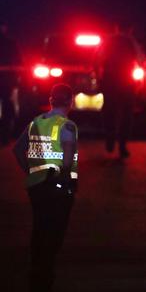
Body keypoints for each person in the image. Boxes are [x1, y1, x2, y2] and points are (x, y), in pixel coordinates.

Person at [12, 83, 79, 292]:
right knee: (55, 231)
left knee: (40, 227)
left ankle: (35, 269)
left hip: (36, 187)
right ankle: (45, 273)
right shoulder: (67, 126)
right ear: (70, 101)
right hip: (58, 186)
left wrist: (32, 171)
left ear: (51, 100)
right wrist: (67, 183)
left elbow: (17, 150)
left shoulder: (35, 123)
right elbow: (67, 161)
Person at [101, 23, 138, 158]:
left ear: (115, 27)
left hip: (110, 82)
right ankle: (122, 145)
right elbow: (139, 60)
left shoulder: (108, 41)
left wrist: (99, 79)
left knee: (109, 112)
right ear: (130, 29)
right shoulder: (131, 41)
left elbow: (97, 60)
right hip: (126, 83)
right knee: (126, 115)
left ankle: (110, 139)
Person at [0, 20, 19, 145]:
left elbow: (18, 62)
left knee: (8, 106)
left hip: (6, 80)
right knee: (8, 106)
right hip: (7, 80)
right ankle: (6, 134)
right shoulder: (11, 43)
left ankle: (6, 134)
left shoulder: (11, 44)